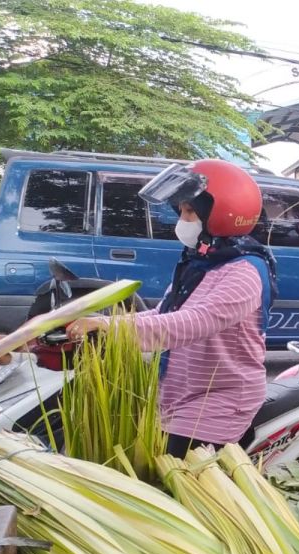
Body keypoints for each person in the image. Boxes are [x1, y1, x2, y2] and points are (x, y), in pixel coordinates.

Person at [67, 159, 278, 458]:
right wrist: (104, 322)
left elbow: (194, 322)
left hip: (217, 402)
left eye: (190, 211)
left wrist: (114, 328)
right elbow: (167, 312)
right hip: (179, 395)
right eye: (181, 210)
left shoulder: (244, 271)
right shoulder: (199, 263)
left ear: (221, 214)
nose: (183, 218)